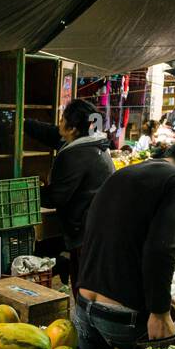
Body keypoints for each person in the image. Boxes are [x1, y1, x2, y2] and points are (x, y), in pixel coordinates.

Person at [75, 137, 175, 349]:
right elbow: (161, 249)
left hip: (84, 306)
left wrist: (162, 297)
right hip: (122, 317)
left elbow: (121, 242)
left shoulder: (123, 173)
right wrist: (160, 312)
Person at [41, 99, 114, 289]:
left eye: (63, 119)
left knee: (84, 286)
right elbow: (49, 133)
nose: (59, 123)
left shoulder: (74, 153)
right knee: (89, 281)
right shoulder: (96, 144)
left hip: (85, 231)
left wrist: (30, 193)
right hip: (99, 226)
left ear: (73, 128)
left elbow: (57, 196)